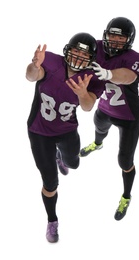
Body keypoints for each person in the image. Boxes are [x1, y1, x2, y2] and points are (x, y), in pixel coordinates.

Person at [25, 32, 105, 243]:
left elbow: (87, 107)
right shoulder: (51, 61)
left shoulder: (92, 77)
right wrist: (34, 65)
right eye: (76, 50)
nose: (78, 56)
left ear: (91, 59)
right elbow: (31, 75)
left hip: (67, 129)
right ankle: (52, 220)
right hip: (39, 130)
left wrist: (82, 93)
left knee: (74, 164)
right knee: (50, 183)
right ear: (67, 50)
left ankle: (61, 156)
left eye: (84, 53)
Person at [80, 17, 139, 221]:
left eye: (121, 37)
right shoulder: (95, 47)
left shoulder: (137, 58)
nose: (116, 40)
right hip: (104, 106)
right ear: (105, 34)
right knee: (99, 128)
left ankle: (126, 196)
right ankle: (97, 145)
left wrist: (108, 73)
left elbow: (128, 76)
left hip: (128, 115)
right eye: (112, 35)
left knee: (124, 161)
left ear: (129, 40)